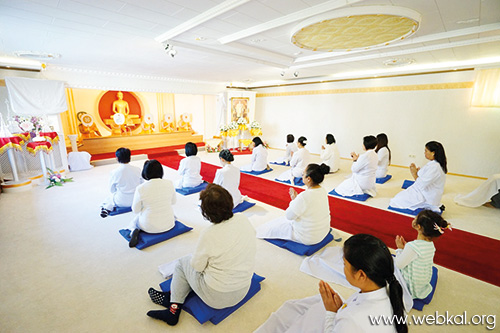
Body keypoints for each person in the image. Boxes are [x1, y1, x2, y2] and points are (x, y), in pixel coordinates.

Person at [146, 184, 256, 326]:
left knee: (183, 263)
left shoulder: (209, 233)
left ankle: (173, 309)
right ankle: (175, 294)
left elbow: (197, 267)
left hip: (217, 297)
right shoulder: (243, 219)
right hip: (242, 289)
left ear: (206, 213)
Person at [319, 234, 408, 333]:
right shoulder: (392, 294)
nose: (343, 267)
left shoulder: (351, 320)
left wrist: (331, 313)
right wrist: (341, 309)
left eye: (344, 264)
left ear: (361, 275)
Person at [257, 163, 331, 245]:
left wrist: (293, 201)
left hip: (308, 237)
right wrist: (296, 200)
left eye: (303, 174)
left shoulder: (304, 196)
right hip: (323, 232)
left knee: (270, 227)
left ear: (308, 179)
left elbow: (289, 216)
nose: (302, 176)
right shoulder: (323, 190)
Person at [394, 210, 450, 299]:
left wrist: (400, 249)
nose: (414, 219)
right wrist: (406, 250)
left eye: (415, 218)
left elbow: (399, 265)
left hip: (410, 288)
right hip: (422, 285)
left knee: (388, 262)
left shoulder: (412, 246)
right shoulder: (430, 245)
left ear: (419, 227)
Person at [127, 160, 176, 248]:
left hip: (148, 227)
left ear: (145, 173)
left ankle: (133, 230)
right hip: (169, 224)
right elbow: (173, 202)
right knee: (172, 214)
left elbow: (135, 210)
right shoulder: (169, 183)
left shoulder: (141, 188)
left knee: (135, 220)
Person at [390, 141, 447, 213]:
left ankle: (429, 206)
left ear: (433, 153)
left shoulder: (435, 167)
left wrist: (414, 173)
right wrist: (418, 172)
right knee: (398, 197)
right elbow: (425, 177)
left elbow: (420, 184)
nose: (424, 153)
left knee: (396, 201)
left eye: (426, 151)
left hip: (426, 196)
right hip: (424, 191)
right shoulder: (434, 164)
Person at [100, 148, 142, 218]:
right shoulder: (137, 169)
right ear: (130, 157)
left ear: (117, 158)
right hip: (136, 199)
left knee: (110, 198)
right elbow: (141, 184)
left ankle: (107, 208)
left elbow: (112, 190)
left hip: (121, 201)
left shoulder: (114, 172)